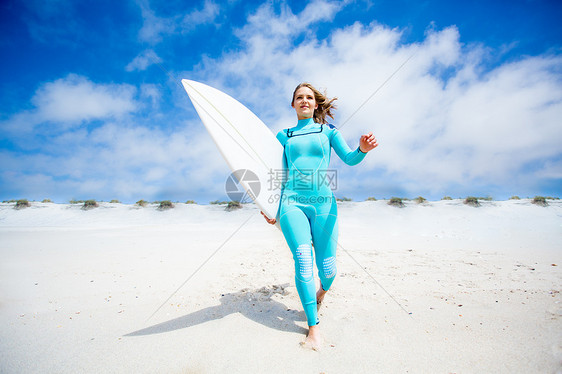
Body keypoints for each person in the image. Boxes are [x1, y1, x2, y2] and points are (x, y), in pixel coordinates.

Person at [261, 82, 378, 350]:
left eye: (309, 97)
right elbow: (276, 173)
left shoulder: (328, 131)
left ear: (316, 104)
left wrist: (362, 149)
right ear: (293, 104)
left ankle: (321, 292)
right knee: (303, 259)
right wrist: (269, 207)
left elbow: (349, 159)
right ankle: (313, 328)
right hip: (291, 203)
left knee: (328, 269)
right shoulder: (284, 135)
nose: (304, 101)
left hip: (323, 203)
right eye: (299, 97)